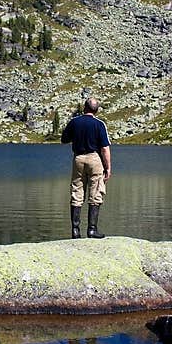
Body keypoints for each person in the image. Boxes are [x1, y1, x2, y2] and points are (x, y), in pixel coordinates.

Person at [60, 98, 111, 239]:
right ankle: (92, 230)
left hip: (78, 159)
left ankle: (75, 231)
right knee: (96, 193)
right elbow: (105, 148)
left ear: (84, 108)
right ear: (96, 110)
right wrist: (108, 168)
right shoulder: (100, 124)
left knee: (77, 192)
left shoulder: (74, 122)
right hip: (95, 159)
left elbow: (64, 139)